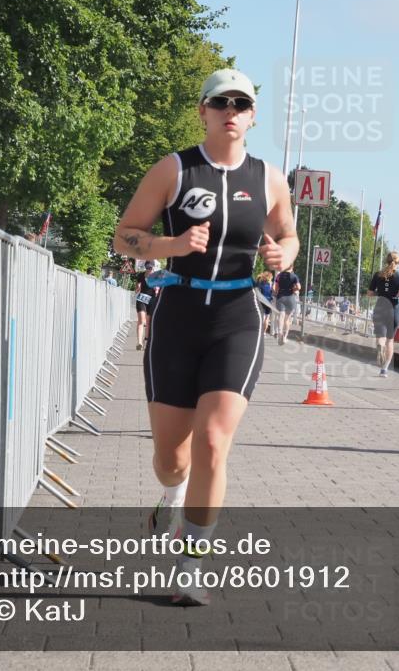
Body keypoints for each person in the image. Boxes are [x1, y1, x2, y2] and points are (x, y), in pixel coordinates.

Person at [113, 68, 299, 605]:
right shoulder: (174, 169)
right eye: (222, 102)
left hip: (238, 316)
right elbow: (124, 237)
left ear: (253, 115)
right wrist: (171, 245)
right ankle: (171, 493)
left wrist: (283, 253)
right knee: (173, 458)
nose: (232, 111)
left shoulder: (269, 178)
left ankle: (190, 565)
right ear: (203, 110)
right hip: (178, 314)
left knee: (215, 441)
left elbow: (288, 233)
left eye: (242, 103)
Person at [367, 251, 399, 377]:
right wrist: (398, 293)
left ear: (386, 261)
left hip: (380, 306)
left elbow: (369, 293)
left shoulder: (378, 275)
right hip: (394, 309)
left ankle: (380, 346)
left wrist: (379, 293)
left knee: (381, 336)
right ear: (398, 263)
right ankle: (384, 369)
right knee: (390, 340)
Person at [133, 260, 159, 350]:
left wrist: (157, 289)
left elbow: (160, 289)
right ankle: (139, 342)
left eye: (151, 268)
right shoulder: (141, 275)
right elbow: (137, 288)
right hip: (141, 299)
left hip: (152, 300)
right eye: (148, 268)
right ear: (145, 267)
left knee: (148, 322)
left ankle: (146, 340)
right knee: (141, 321)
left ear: (153, 267)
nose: (149, 269)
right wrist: (138, 288)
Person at [273, 265, 301, 345]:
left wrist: (276, 293)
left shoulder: (279, 275)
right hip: (290, 298)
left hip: (280, 297)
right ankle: (285, 337)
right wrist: (293, 289)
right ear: (292, 267)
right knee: (287, 319)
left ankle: (280, 332)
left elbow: (274, 287)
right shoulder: (294, 276)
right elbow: (299, 287)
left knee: (281, 316)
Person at [256, 271, 275, 336]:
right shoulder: (271, 284)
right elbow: (272, 292)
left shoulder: (260, 284)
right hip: (268, 302)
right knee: (267, 318)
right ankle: (264, 332)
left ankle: (260, 331)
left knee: (262, 317)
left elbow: (258, 293)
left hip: (262, 301)